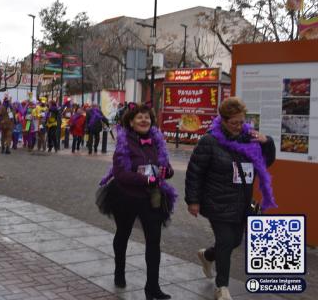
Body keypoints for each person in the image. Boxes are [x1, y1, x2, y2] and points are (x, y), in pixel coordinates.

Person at [185, 97, 276, 300]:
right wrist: (193, 200)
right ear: (223, 120)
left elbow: (265, 162)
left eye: (241, 122)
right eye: (234, 122)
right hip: (217, 200)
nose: (238, 126)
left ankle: (207, 255)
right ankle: (222, 288)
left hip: (242, 201)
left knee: (234, 240)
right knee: (226, 240)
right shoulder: (210, 141)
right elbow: (195, 171)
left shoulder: (248, 138)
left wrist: (267, 143)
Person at [98, 103, 176, 300]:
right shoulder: (124, 143)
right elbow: (121, 173)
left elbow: (166, 167)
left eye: (147, 117)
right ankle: (119, 271)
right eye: (139, 117)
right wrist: (145, 179)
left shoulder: (157, 141)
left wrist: (167, 172)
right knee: (123, 234)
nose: (144, 120)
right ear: (131, 122)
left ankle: (152, 288)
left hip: (151, 198)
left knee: (154, 241)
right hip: (126, 196)